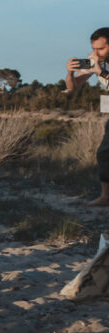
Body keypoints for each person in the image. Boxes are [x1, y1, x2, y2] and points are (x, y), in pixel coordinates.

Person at [66, 28, 109, 206]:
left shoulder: (100, 68)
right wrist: (70, 73)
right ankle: (106, 196)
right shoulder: (97, 63)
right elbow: (72, 87)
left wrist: (101, 73)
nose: (96, 53)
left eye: (101, 49)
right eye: (94, 48)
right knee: (104, 153)